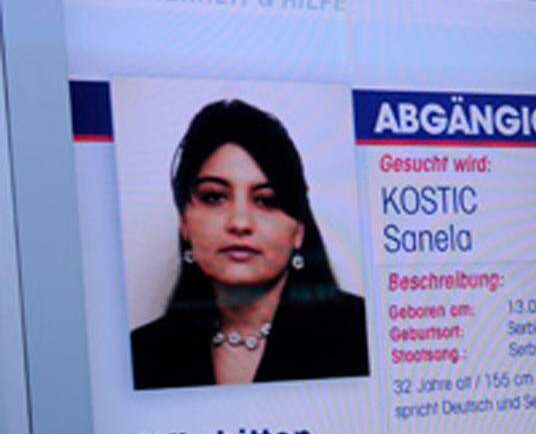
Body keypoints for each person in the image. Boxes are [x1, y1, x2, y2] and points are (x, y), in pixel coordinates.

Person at [131, 99, 369, 389]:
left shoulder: (367, 335)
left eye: (266, 201)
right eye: (214, 197)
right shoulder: (141, 354)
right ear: (185, 223)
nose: (240, 223)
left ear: (299, 230)